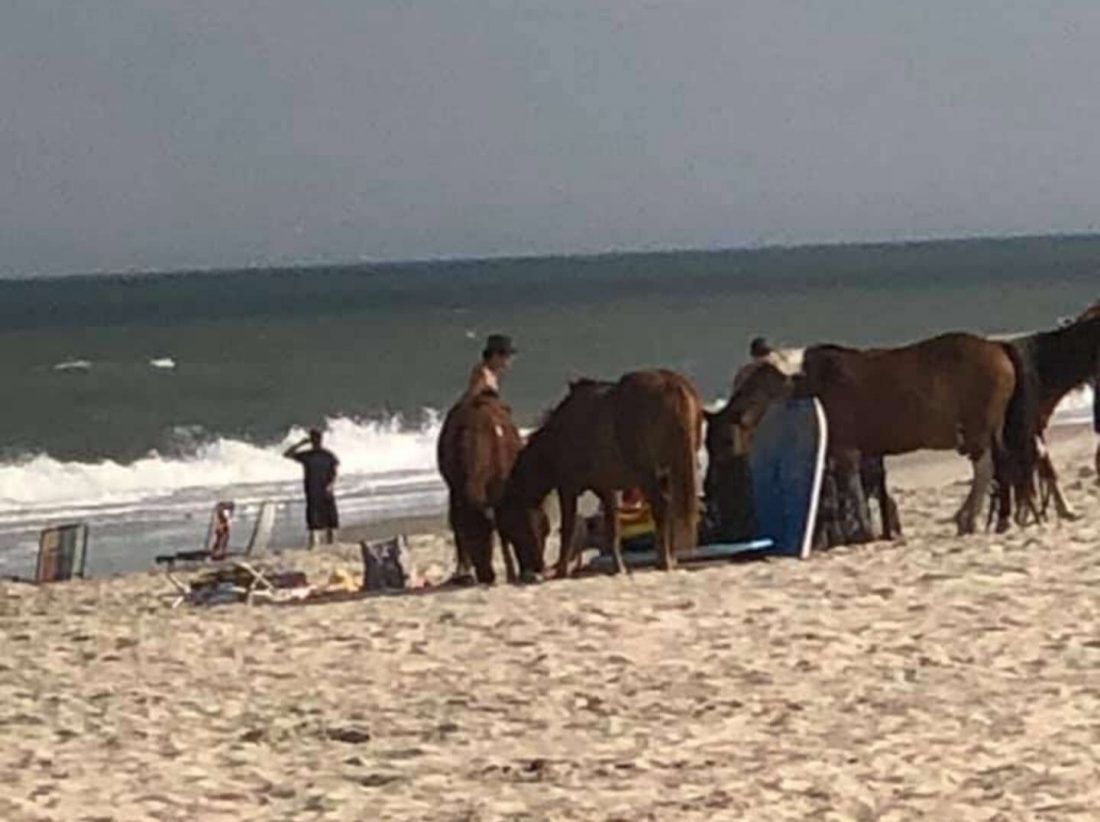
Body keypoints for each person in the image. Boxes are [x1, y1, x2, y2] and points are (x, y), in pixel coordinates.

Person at [284, 428, 340, 547]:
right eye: (315, 438)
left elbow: (335, 469)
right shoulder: (307, 455)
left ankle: (332, 544)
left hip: (325, 489)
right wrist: (300, 444)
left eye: (318, 438)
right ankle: (315, 544)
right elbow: (287, 454)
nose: (317, 440)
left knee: (331, 519)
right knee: (314, 519)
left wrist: (331, 484)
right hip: (312, 489)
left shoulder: (327, 455)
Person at [466, 333, 516, 399]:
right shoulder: (483, 374)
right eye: (507, 356)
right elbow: (472, 395)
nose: (509, 360)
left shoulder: (495, 373)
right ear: (494, 355)